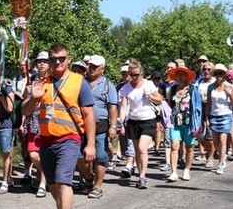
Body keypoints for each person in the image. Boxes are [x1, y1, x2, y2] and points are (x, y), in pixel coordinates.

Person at [21, 42, 96, 209]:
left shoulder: (79, 82)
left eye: (61, 59)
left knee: (63, 180)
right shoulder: (41, 82)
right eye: (53, 59)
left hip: (70, 138)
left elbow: (89, 115)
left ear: (68, 59)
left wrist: (90, 144)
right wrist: (33, 99)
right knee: (53, 184)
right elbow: (25, 112)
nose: (57, 62)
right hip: (45, 140)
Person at [77, 55, 118, 198]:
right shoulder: (81, 82)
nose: (92, 68)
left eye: (96, 66)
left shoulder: (108, 85)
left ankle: (97, 186)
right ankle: (88, 178)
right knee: (79, 156)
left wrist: (113, 126)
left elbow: (112, 107)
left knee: (100, 156)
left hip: (100, 125)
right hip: (81, 125)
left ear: (103, 69)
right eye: (91, 66)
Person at [119, 59, 163, 189]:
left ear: (141, 73)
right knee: (138, 151)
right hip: (133, 121)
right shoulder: (125, 88)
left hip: (148, 120)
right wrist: (121, 123)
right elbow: (123, 107)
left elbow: (160, 100)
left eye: (137, 75)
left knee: (143, 148)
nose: (134, 77)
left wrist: (150, 96)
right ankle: (140, 175)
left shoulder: (148, 84)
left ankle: (143, 177)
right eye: (132, 75)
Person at [20, 51, 50, 197]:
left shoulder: (52, 81)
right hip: (33, 122)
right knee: (33, 155)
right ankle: (45, 175)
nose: (41, 63)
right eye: (39, 61)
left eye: (44, 61)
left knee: (43, 155)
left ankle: (43, 184)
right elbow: (25, 105)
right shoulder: (31, 80)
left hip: (48, 122)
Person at [165, 65, 197, 181]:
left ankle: (187, 170)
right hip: (175, 123)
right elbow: (169, 105)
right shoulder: (172, 89)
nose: (179, 76)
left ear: (187, 76)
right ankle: (173, 172)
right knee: (174, 146)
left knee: (189, 147)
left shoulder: (193, 89)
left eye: (182, 74)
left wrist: (199, 122)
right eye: (178, 74)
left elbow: (197, 107)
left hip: (189, 123)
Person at [204, 64, 233, 175]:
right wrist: (206, 118)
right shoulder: (211, 87)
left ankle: (220, 164)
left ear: (225, 74)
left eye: (221, 73)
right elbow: (208, 103)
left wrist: (230, 95)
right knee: (216, 142)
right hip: (214, 116)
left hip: (226, 115)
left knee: (223, 140)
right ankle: (223, 155)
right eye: (216, 73)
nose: (218, 76)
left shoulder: (230, 86)